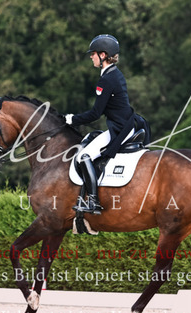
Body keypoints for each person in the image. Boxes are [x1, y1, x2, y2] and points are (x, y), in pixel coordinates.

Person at [65, 34, 139, 215]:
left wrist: (71, 119)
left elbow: (95, 113)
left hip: (120, 129)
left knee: (84, 156)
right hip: (126, 124)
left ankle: (93, 202)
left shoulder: (106, 80)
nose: (91, 57)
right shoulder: (115, 74)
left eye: (93, 53)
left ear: (103, 55)